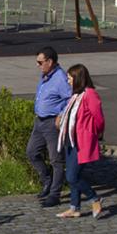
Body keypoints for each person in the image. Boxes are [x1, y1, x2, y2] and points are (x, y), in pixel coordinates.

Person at [55, 64, 106, 219]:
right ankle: (74, 207)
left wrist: (93, 133)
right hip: (70, 140)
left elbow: (99, 119)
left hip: (82, 141)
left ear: (78, 78)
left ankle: (94, 198)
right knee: (73, 174)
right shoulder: (76, 94)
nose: (68, 81)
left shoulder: (90, 94)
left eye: (70, 78)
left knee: (72, 176)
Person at [27, 46, 72, 207]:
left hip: (52, 123)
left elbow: (70, 99)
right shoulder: (46, 75)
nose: (37, 65)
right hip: (39, 121)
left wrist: (61, 114)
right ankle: (47, 180)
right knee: (32, 152)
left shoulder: (60, 78)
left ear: (50, 61)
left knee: (56, 160)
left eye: (40, 62)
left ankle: (54, 194)